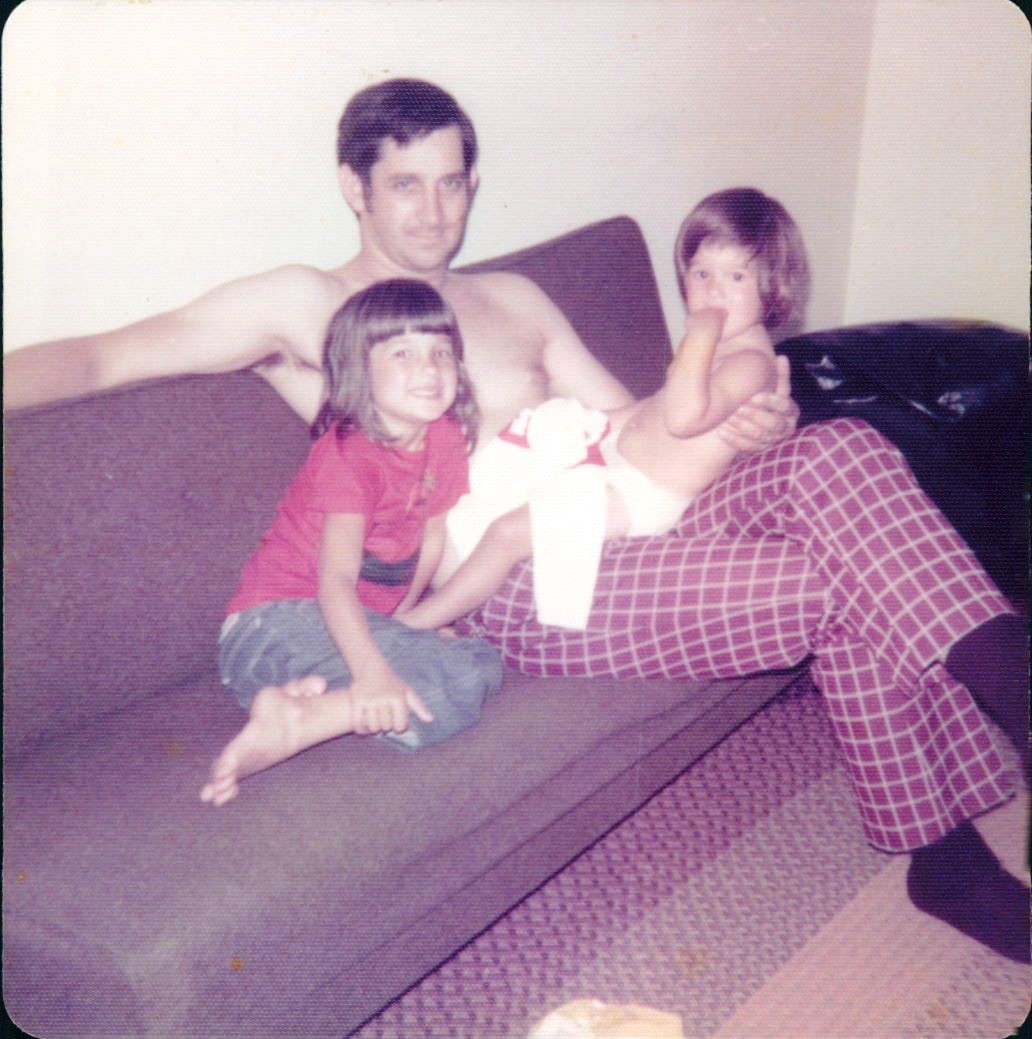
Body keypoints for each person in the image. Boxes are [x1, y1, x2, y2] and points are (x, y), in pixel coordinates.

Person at [4, 79, 1025, 961]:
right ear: (354, 187)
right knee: (838, 578)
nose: (434, 210)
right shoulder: (307, 306)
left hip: (622, 508)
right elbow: (102, 356)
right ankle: (944, 850)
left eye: (453, 182)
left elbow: (632, 420)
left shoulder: (517, 298)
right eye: (406, 183)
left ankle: (1014, 696)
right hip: (522, 581)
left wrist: (761, 421)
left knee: (845, 449)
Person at [398, 188, 796, 634]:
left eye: (736, 276)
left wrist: (698, 338)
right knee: (511, 506)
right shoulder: (721, 348)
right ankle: (437, 612)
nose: (713, 290)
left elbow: (682, 418)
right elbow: (654, 409)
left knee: (508, 535)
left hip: (642, 497)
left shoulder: (750, 362)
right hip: (617, 475)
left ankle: (417, 625)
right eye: (701, 273)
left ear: (773, 286)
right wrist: (582, 427)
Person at [199, 278, 502, 806]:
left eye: (441, 352)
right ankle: (309, 716)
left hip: (328, 637)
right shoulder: (348, 455)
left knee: (478, 662)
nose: (429, 369)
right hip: (271, 626)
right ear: (360, 369)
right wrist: (374, 672)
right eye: (403, 353)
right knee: (439, 675)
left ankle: (305, 707)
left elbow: (430, 539)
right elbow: (334, 582)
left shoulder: (445, 437)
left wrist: (400, 625)